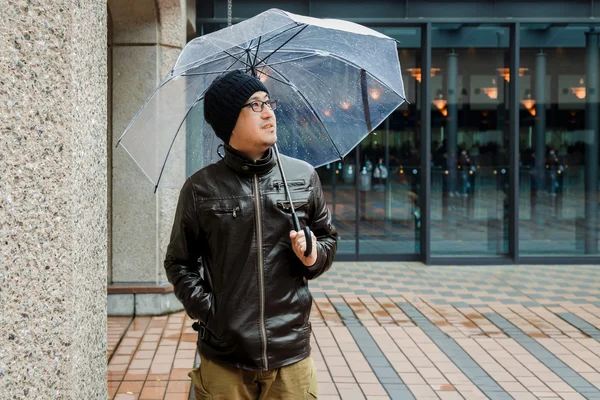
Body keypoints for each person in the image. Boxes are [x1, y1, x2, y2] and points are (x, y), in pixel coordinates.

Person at [164, 70, 338, 399]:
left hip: (290, 354)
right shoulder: (201, 189)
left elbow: (327, 238)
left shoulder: (302, 177)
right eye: (255, 105)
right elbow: (178, 263)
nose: (269, 112)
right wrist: (212, 313)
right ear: (230, 121)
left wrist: (313, 255)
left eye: (268, 102)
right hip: (225, 359)